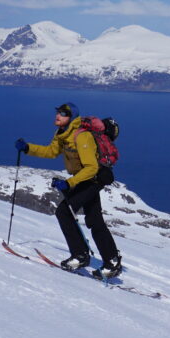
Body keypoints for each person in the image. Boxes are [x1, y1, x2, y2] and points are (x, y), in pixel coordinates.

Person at [16, 103, 122, 277]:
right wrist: (28, 148)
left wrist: (69, 183)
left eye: (63, 113)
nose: (58, 115)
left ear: (71, 118)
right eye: (58, 112)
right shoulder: (62, 133)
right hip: (84, 178)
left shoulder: (81, 136)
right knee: (94, 219)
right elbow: (51, 151)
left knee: (64, 212)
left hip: (92, 179)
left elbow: (91, 167)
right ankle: (111, 261)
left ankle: (81, 255)